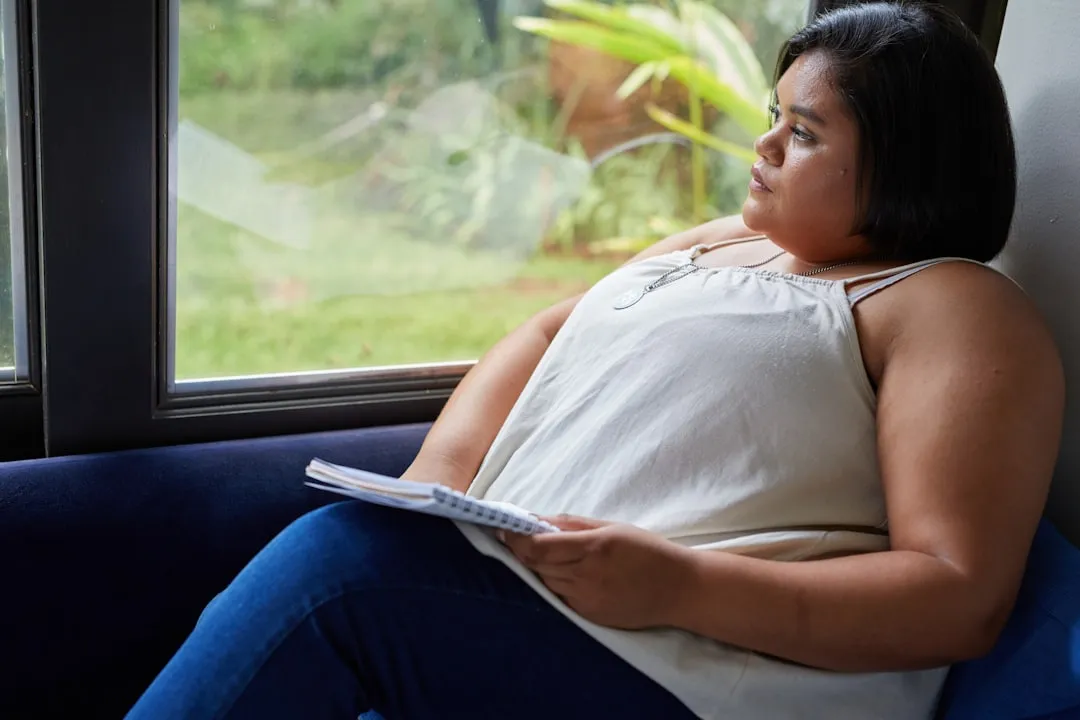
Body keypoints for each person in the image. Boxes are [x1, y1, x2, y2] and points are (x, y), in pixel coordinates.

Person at [127, 2, 1064, 719]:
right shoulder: (724, 243)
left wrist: (682, 584)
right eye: (776, 115)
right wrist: (436, 489)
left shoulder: (952, 306)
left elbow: (955, 594)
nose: (764, 145)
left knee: (338, 571)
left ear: (907, 167)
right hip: (563, 610)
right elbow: (540, 334)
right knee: (361, 548)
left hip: (700, 673)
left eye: (805, 133)